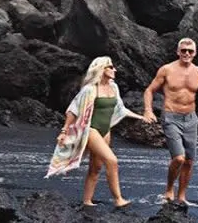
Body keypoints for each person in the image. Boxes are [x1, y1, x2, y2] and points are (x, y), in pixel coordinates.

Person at [46, 56, 139, 208]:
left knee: (95, 168)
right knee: (112, 161)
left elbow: (120, 109)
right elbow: (73, 110)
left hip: (105, 131)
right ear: (101, 69)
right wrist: (64, 131)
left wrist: (141, 117)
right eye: (111, 67)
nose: (114, 69)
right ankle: (118, 199)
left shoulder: (113, 87)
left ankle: (87, 201)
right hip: (91, 129)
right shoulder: (90, 89)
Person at [140, 37, 198, 207]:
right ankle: (169, 189)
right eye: (183, 50)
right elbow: (149, 90)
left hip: (191, 119)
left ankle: (182, 196)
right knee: (178, 158)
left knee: (189, 161)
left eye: (190, 51)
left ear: (194, 53)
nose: (186, 53)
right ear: (178, 52)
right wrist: (148, 110)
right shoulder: (167, 70)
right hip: (171, 117)